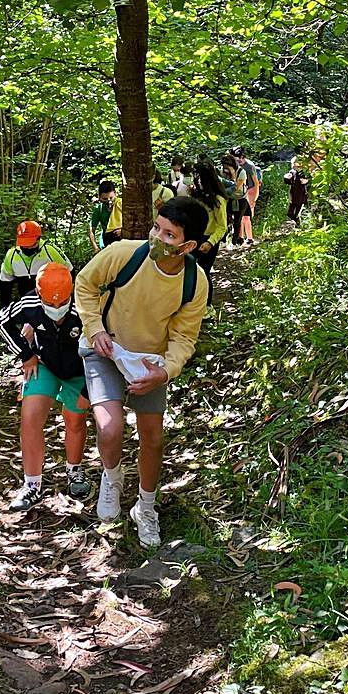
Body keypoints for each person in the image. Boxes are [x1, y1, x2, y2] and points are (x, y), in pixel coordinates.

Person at [74, 197, 209, 546]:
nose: (157, 238)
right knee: (109, 427)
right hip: (105, 347)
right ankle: (112, 477)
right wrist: (95, 328)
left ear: (187, 245)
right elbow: (85, 284)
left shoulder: (194, 281)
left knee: (152, 437)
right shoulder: (123, 253)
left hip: (149, 362)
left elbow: (184, 335)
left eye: (168, 235)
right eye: (155, 228)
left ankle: (145, 507)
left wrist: (165, 372)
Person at [0, 263, 91, 510]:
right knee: (29, 418)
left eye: (62, 304)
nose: (56, 309)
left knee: (75, 419)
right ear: (39, 295)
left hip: (79, 371)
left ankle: (74, 471)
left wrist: (88, 390)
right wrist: (25, 354)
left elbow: (103, 346)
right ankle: (31, 485)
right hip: (44, 365)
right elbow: (1, 322)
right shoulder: (29, 305)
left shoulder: (86, 306)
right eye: (50, 303)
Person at [0, 221, 72, 306]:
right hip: (26, 304)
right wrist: (5, 308)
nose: (27, 247)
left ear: (38, 239)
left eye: (30, 244)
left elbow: (70, 272)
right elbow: (5, 284)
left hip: (51, 302)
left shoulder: (50, 251)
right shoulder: (11, 255)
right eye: (24, 245)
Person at [190, 161, 228, 316]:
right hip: (193, 238)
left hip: (208, 240)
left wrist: (210, 242)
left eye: (198, 176)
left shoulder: (218, 200)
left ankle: (207, 306)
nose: (195, 179)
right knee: (190, 272)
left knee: (204, 272)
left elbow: (222, 226)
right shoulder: (194, 196)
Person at [231, 146, 260, 245]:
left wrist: (254, 197)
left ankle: (250, 238)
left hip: (250, 190)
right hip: (240, 192)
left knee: (246, 217)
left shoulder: (249, 166)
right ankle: (240, 238)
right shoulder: (234, 166)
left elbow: (256, 183)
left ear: (242, 157)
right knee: (238, 216)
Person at [221, 153, 249, 247]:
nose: (225, 168)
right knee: (226, 220)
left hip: (240, 199)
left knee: (237, 221)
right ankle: (224, 241)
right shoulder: (223, 172)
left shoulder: (241, 172)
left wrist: (232, 175)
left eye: (226, 166)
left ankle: (235, 241)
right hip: (228, 199)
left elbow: (236, 187)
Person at [89, 180, 117, 254]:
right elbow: (91, 231)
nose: (109, 201)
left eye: (111, 198)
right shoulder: (99, 209)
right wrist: (95, 248)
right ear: (99, 197)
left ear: (115, 194)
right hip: (106, 241)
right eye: (104, 199)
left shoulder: (121, 205)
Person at [284, 157, 310, 225]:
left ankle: (297, 219)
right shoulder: (292, 171)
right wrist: (287, 178)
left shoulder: (304, 172)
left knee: (299, 205)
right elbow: (289, 180)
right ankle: (292, 217)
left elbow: (307, 180)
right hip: (294, 191)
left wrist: (306, 181)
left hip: (301, 191)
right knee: (292, 205)